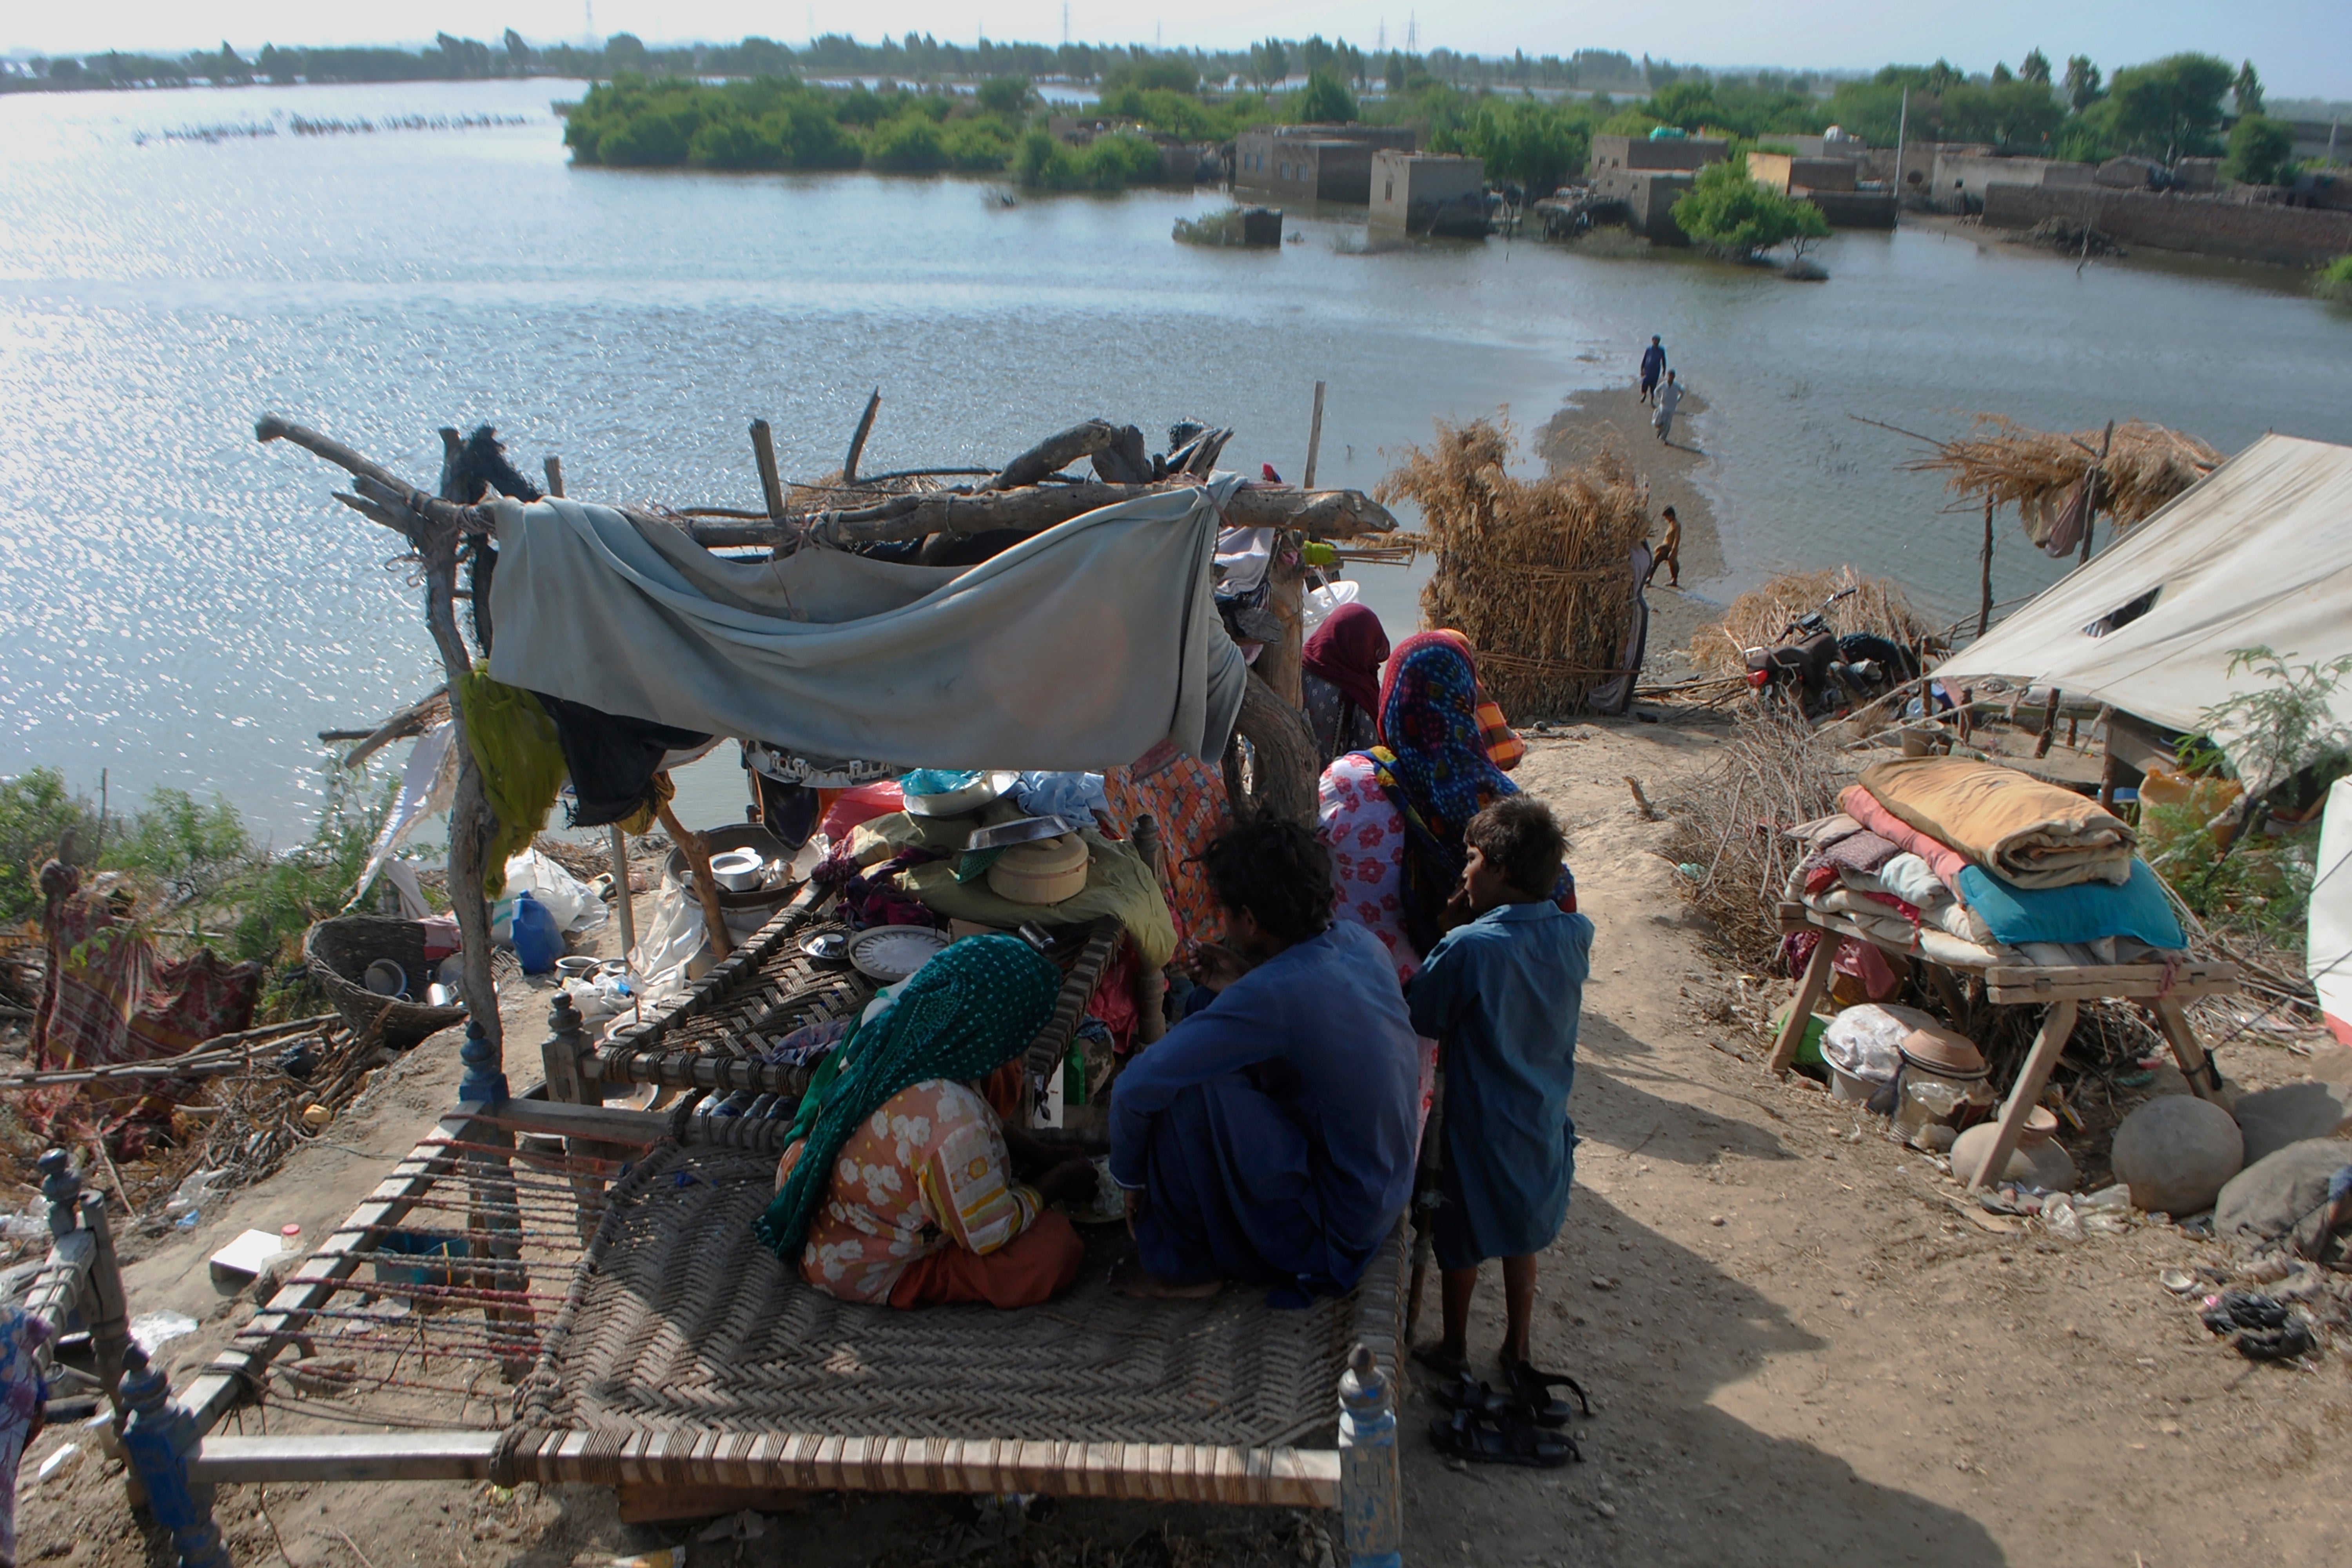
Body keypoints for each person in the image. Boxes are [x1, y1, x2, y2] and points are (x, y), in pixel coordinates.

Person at [1107, 818, 1421, 1304]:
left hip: (1332, 1228)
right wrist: (1246, 981)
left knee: (1184, 1090)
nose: (1224, 927)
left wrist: (1131, 1181)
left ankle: (1182, 1266)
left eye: (1228, 914)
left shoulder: (1277, 992)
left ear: (1250, 921)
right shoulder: (1359, 942)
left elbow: (1135, 1089)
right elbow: (1306, 1018)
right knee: (1202, 1010)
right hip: (1380, 1189)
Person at [756, 935, 1100, 1308]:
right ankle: (914, 1277)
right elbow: (989, 1233)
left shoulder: (905, 1030)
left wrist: (1043, 1154)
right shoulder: (954, 1123)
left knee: (992, 1091)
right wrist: (1057, 1184)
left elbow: (973, 1114)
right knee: (1052, 1249)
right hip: (856, 1263)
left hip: (824, 1195)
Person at [1406, 797, 1593, 1381]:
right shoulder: (1575, 933)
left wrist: (1450, 932)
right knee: (1522, 1231)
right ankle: (1517, 1346)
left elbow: (1424, 1015)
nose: (1464, 872)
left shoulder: (1468, 949)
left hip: (1478, 1123)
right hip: (1541, 1113)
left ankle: (1455, 1346)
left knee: (1459, 1239)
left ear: (1502, 871)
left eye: (1473, 859)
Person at [1318, 631, 1568, 984]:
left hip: (1356, 994)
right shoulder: (1502, 803)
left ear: (1393, 698)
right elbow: (1560, 893)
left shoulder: (1350, 782)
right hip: (1455, 1008)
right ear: (1465, 695)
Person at [1301, 603, 1389, 765]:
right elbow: (1368, 753)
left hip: (1289, 777)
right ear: (1362, 644)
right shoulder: (1358, 692)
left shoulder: (1299, 668)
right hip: (1335, 787)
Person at [1646, 506, 1682, 588]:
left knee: (1673, 564)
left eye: (1667, 517)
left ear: (1672, 515)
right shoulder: (1671, 524)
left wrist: (1673, 551)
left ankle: (1674, 580)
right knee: (1656, 561)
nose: (1667, 519)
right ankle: (1650, 578)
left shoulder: (1677, 525)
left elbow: (1677, 539)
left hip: (1671, 548)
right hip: (1665, 547)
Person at [1653, 370, 1683, 444]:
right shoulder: (1664, 385)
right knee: (1659, 422)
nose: (1671, 378)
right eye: (1670, 376)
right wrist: (1660, 399)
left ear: (1674, 377)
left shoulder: (1676, 386)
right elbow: (1656, 391)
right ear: (1667, 376)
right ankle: (1660, 430)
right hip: (1663, 406)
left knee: (1668, 424)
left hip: (1672, 407)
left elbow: (1683, 392)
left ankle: (1663, 438)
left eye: (1672, 376)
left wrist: (1678, 400)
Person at [1638, 335, 1666, 406]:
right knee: (1644, 383)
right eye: (1655, 340)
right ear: (1652, 340)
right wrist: (1642, 369)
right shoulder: (1649, 349)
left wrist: (1664, 370)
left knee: (1653, 386)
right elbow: (1645, 359)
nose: (1657, 342)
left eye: (1658, 340)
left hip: (1656, 371)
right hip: (1647, 370)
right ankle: (1644, 395)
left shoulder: (1661, 350)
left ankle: (1652, 400)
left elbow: (1664, 360)